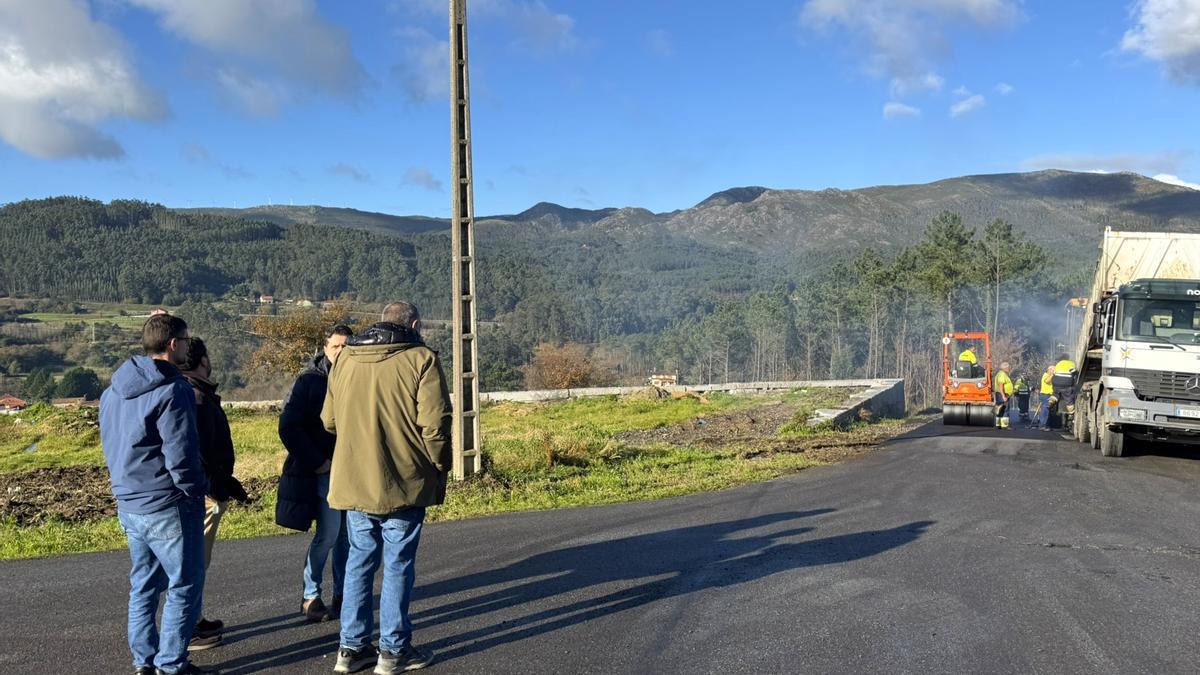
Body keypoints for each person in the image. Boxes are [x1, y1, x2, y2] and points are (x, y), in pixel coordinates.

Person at [322, 302, 449, 674]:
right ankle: (393, 652)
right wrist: (439, 465)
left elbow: (328, 420)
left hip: (354, 481)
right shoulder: (421, 359)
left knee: (359, 563)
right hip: (404, 482)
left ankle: (351, 648)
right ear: (413, 324)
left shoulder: (345, 359)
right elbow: (435, 425)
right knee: (398, 565)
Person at [100, 314, 217, 675]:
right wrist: (198, 489)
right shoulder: (174, 389)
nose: (187, 346)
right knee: (184, 585)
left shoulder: (113, 389)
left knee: (144, 586)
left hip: (130, 501)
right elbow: (180, 454)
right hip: (168, 503)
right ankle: (172, 664)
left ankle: (145, 661)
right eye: (185, 340)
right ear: (172, 344)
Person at [278, 324, 353, 623]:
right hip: (324, 471)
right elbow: (288, 427)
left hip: (350, 470)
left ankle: (344, 594)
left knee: (348, 537)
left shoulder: (356, 377)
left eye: (347, 347)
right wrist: (317, 462)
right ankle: (311, 595)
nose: (341, 352)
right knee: (329, 534)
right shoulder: (309, 381)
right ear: (325, 349)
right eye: (336, 347)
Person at [180, 338, 249, 649]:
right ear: (202, 361)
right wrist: (212, 487)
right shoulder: (193, 396)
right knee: (194, 562)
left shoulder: (195, 392)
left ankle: (194, 617)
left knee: (196, 561)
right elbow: (194, 448)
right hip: (204, 492)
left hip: (207, 489)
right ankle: (188, 628)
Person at [993, 361, 1014, 429]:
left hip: (1000, 394)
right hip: (1002, 394)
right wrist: (1003, 396)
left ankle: (998, 425)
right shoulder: (1002, 374)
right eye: (1008, 367)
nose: (1009, 369)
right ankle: (1004, 425)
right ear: (1005, 368)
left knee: (999, 409)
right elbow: (1000, 385)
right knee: (1005, 409)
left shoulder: (1000, 373)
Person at [1037, 365, 1055, 431]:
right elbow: (1047, 381)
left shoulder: (1049, 376)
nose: (1054, 371)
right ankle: (1042, 425)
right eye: (1053, 370)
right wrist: (1052, 375)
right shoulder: (1046, 375)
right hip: (1045, 395)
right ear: (1049, 370)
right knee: (1045, 410)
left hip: (1049, 395)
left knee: (1047, 410)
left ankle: (1046, 425)